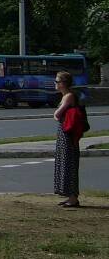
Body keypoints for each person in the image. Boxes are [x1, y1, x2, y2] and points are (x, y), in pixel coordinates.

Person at [53, 71, 82, 208]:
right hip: (64, 134)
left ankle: (73, 198)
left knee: (69, 164)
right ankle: (70, 196)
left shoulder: (69, 96)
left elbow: (57, 114)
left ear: (63, 83)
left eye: (57, 81)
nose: (55, 83)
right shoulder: (65, 96)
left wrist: (56, 114)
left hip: (68, 135)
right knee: (64, 163)